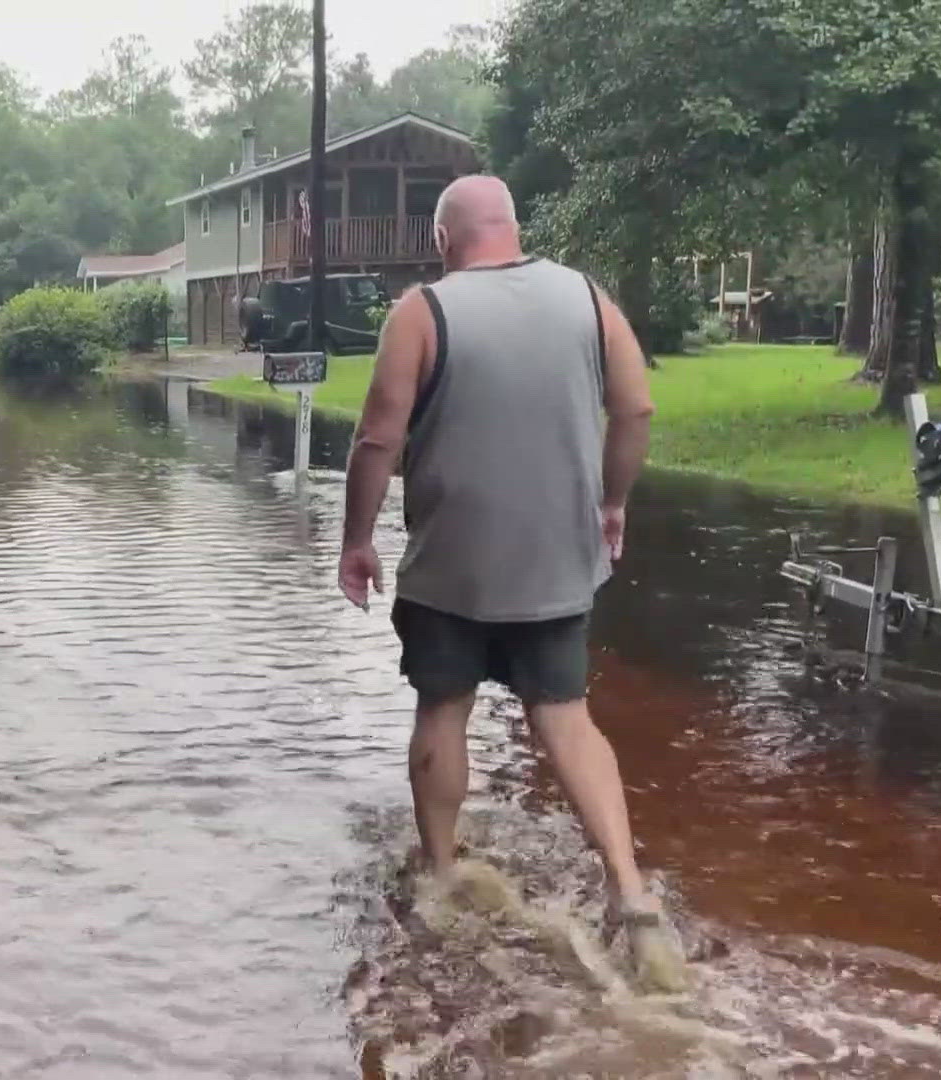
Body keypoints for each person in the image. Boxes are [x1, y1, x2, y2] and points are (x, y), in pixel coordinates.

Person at [337, 174, 685, 989]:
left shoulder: (423, 311)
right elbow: (635, 412)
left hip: (451, 560)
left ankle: (444, 873)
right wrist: (612, 502)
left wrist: (357, 541)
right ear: (516, 228)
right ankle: (632, 898)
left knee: (443, 709)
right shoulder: (588, 298)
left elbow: (376, 440)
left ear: (442, 240)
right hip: (556, 559)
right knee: (567, 719)